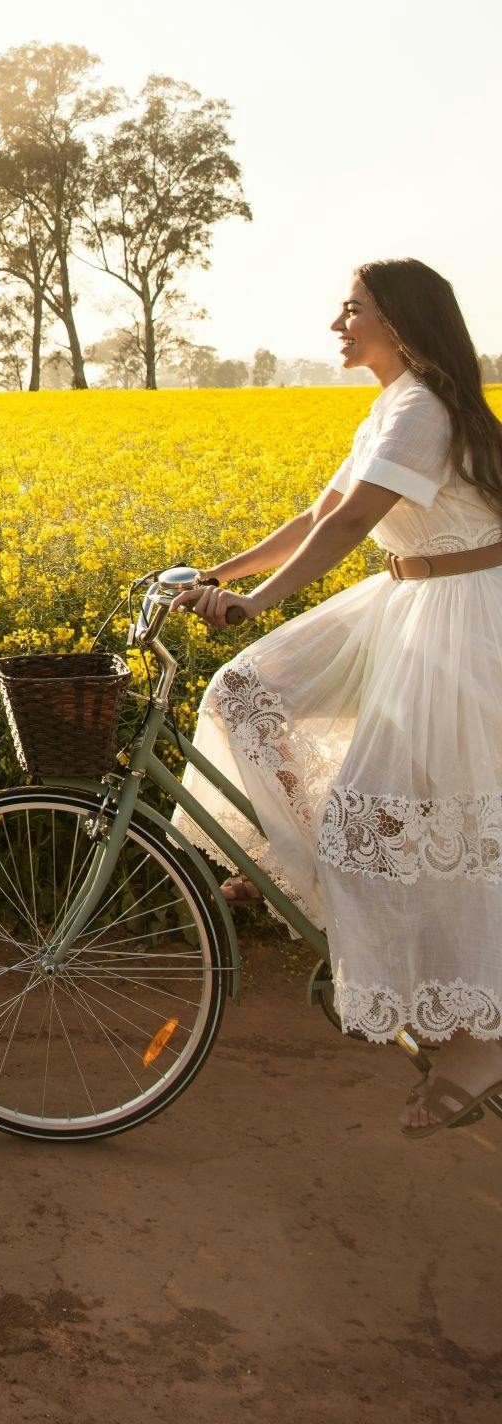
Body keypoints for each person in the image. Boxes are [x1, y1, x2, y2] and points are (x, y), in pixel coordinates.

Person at [172, 260, 502, 1139]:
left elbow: (353, 526)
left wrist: (260, 601)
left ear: (398, 322)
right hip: (410, 601)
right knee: (244, 689)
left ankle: (476, 1039)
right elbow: (322, 512)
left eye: (352, 309)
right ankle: (305, 855)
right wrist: (221, 573)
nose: (336, 323)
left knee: (424, 829)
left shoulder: (426, 409)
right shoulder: (392, 405)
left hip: (458, 622)